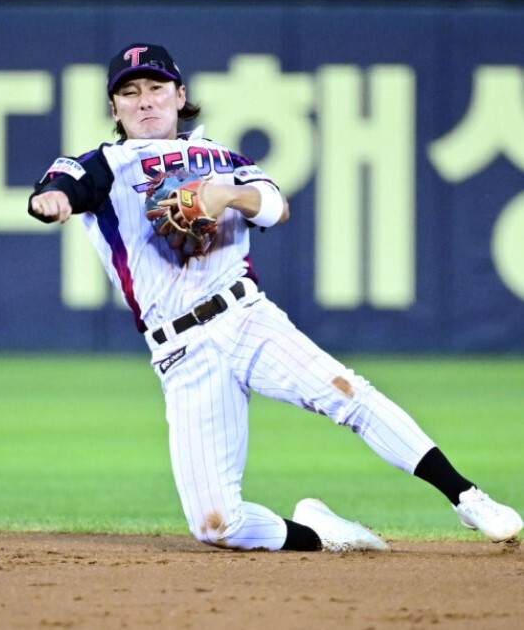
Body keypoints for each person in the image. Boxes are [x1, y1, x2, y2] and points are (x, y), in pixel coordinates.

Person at [28, 42, 523, 552]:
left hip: (244, 316)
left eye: (156, 87)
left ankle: (467, 498)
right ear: (114, 109)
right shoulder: (105, 166)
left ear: (180, 95)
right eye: (129, 93)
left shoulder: (221, 158)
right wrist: (53, 201)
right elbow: (63, 185)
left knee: (347, 395)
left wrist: (223, 193)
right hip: (180, 352)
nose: (145, 100)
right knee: (215, 526)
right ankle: (325, 533)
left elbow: (275, 206)